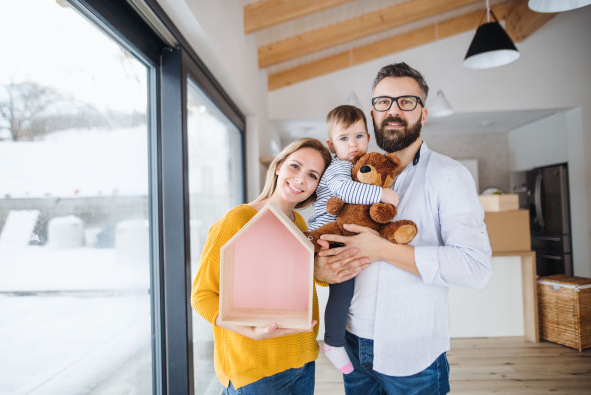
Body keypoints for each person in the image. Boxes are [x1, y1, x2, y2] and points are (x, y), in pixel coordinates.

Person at [316, 62, 493, 394]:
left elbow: (476, 267)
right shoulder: (355, 174)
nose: (393, 111)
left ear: (422, 114)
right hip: (352, 344)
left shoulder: (449, 175)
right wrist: (321, 268)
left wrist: (383, 249)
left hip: (414, 355)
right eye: (384, 102)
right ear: (373, 113)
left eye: (406, 102)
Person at [191, 138, 363, 395]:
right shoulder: (238, 220)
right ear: (278, 166)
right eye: (295, 166)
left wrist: (322, 272)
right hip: (255, 371)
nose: (300, 179)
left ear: (317, 186)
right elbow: (202, 296)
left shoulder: (302, 227)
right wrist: (249, 331)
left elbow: (292, 280)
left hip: (303, 361)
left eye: (312, 175)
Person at [308, 105, 399, 375]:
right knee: (343, 288)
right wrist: (381, 195)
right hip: (328, 233)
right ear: (331, 144)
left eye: (359, 136)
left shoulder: (359, 166)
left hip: (343, 231)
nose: (353, 144)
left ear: (368, 138)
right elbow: (344, 190)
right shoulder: (337, 169)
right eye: (344, 139)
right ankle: (333, 342)